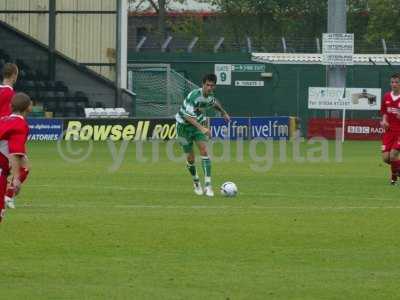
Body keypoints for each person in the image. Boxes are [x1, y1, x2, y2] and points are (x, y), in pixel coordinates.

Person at [175, 74, 230, 197]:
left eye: (212, 85)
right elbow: (187, 116)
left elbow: (215, 103)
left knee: (204, 151)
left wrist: (224, 113)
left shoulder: (210, 97)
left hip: (197, 126)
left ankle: (208, 186)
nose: (209, 87)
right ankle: (196, 182)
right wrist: (203, 128)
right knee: (191, 158)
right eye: (207, 85)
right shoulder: (194, 96)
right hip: (183, 127)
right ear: (203, 84)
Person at [0, 92, 32, 222]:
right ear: (28, 107)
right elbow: (15, 153)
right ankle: (8, 196)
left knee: (26, 165)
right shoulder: (20, 124)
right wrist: (17, 181)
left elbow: (21, 159)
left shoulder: (3, 119)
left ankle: (7, 196)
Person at [381, 73, 400, 185]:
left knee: (393, 155)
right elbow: (384, 112)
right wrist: (384, 121)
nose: (394, 84)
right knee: (386, 158)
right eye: (392, 82)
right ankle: (396, 172)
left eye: (397, 82)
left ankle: (393, 180)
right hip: (389, 132)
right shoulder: (386, 96)